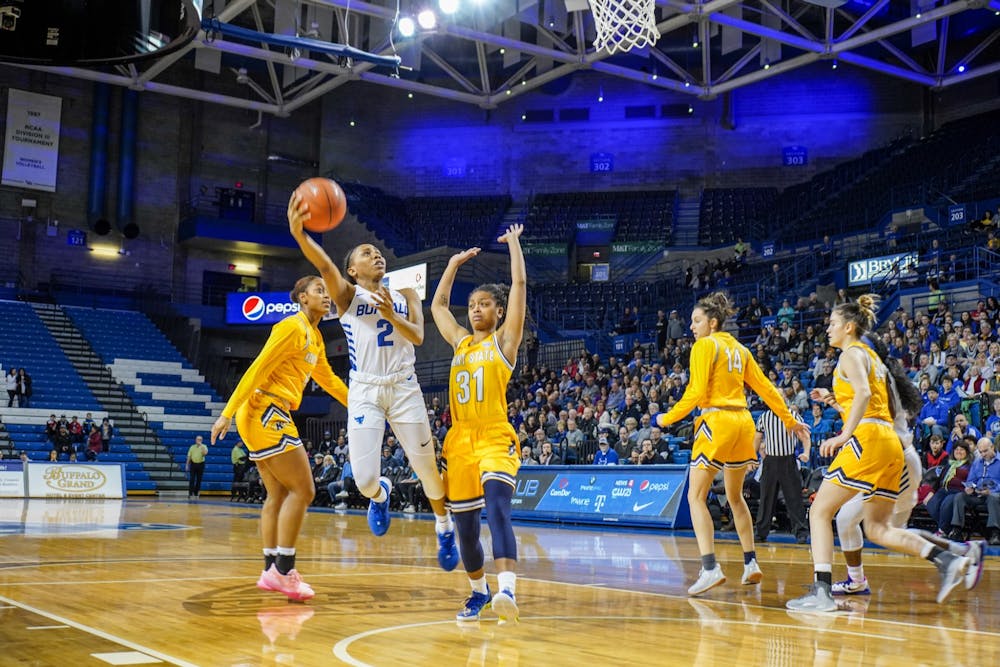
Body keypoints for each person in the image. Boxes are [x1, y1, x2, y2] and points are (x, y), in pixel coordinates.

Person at [287, 194, 458, 571]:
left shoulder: (407, 294)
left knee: (428, 469)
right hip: (365, 389)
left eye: (378, 252)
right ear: (352, 271)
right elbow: (324, 263)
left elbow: (415, 336)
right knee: (364, 480)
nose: (376, 254)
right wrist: (300, 235)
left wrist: (389, 314)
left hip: (404, 387)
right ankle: (380, 495)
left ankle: (444, 528)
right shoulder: (346, 296)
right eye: (366, 252)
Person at [786, 295, 977, 613]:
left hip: (869, 439)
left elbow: (862, 395)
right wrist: (834, 401)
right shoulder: (872, 359)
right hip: (889, 442)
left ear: (848, 326)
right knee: (877, 529)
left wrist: (844, 435)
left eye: (832, 324)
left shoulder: (850, 353)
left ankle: (821, 592)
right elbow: (868, 401)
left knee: (819, 511)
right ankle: (946, 560)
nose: (828, 329)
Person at [654, 292, 810, 596]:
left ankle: (710, 567)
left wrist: (666, 419)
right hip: (743, 423)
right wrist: (790, 421)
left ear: (713, 323)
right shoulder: (740, 349)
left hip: (718, 422)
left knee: (695, 496)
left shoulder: (704, 346)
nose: (692, 327)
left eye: (696, 321)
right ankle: (751, 563)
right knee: (736, 497)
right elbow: (766, 388)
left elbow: (696, 393)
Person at [210, 274, 350, 602]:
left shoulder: (314, 337)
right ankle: (284, 571)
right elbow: (258, 367)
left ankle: (270, 568)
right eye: (319, 290)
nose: (326, 295)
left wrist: (362, 406)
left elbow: (328, 379)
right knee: (305, 489)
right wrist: (226, 412)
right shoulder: (291, 327)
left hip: (262, 411)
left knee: (278, 493)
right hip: (264, 407)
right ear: (302, 297)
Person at [827, 335, 984, 596]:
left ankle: (950, 560)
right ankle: (963, 551)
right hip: (902, 457)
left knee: (871, 527)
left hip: (891, 459)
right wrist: (834, 401)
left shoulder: (872, 382)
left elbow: (867, 417)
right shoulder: (882, 377)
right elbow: (861, 412)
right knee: (885, 530)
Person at [430, 223, 526, 622]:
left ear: (498, 311)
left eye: (484, 304)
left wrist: (515, 246)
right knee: (466, 528)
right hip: (459, 442)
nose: (475, 309)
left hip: (493, 437)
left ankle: (507, 590)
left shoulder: (503, 342)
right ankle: (478, 592)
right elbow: (437, 307)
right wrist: (451, 265)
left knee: (498, 507)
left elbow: (519, 285)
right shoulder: (459, 341)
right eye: (472, 304)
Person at [753, 407, 809, 544]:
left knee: (794, 498)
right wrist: (752, 457)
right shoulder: (764, 417)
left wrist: (806, 452)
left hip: (788, 460)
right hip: (770, 461)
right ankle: (760, 533)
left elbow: (804, 435)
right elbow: (757, 438)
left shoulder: (793, 415)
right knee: (766, 498)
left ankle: (801, 532)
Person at [949, 437, 1000, 544]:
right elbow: (971, 480)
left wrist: (993, 490)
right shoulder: (977, 462)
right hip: (978, 494)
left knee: (993, 497)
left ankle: (994, 533)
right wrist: (970, 488)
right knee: (960, 496)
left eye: (985, 451)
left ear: (992, 447)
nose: (983, 454)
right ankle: (957, 530)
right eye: (980, 452)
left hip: (993, 494)